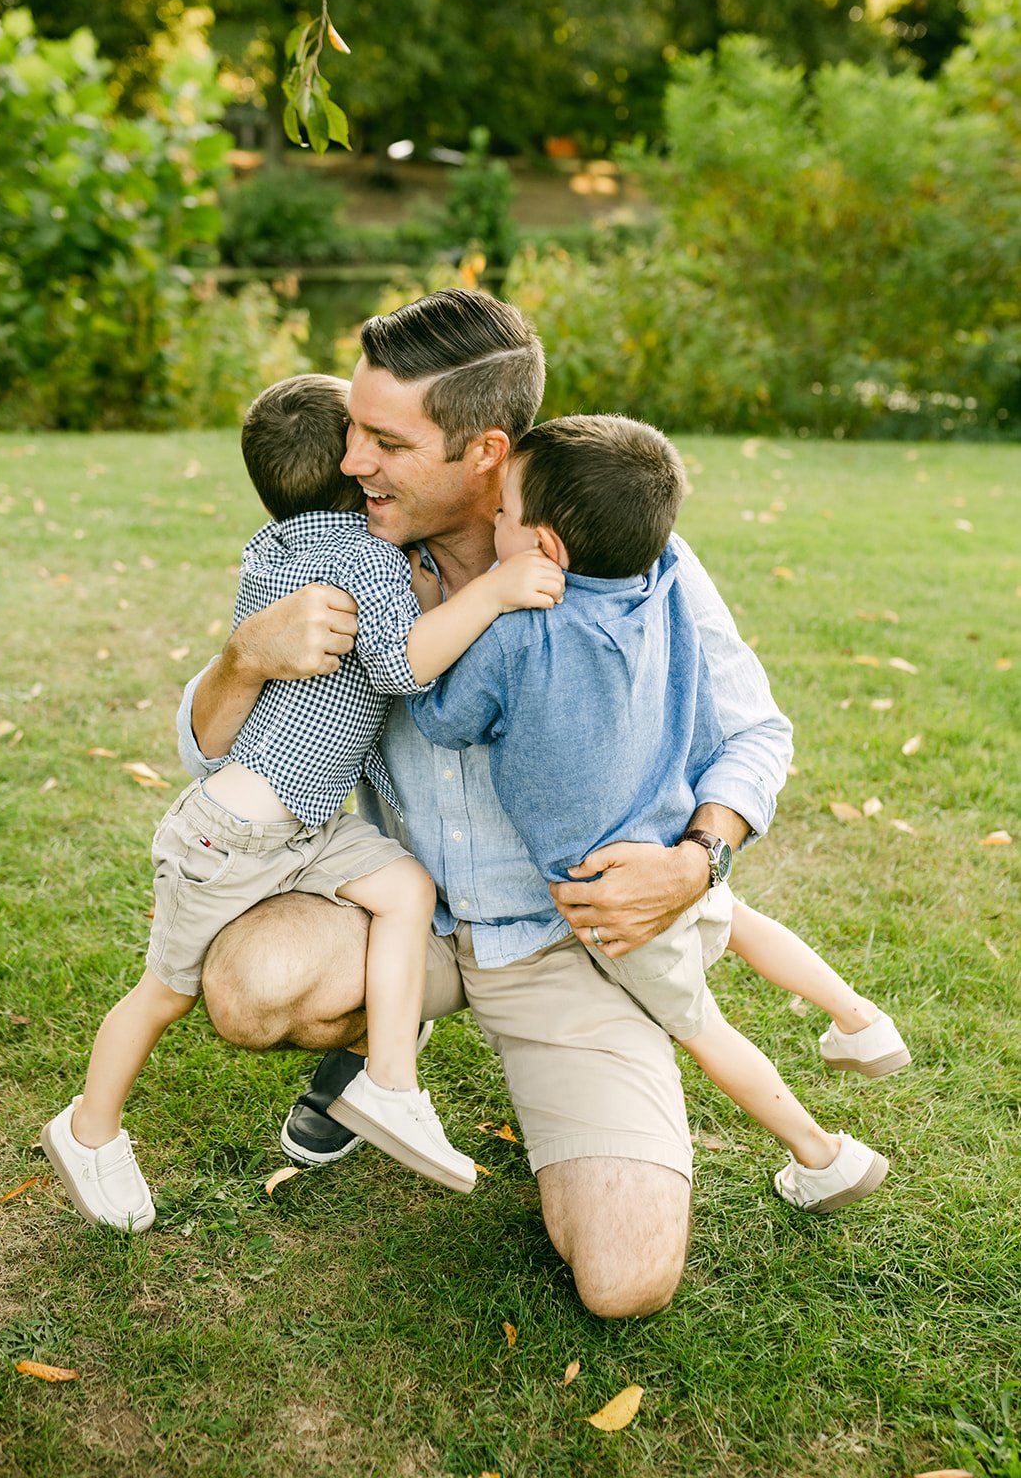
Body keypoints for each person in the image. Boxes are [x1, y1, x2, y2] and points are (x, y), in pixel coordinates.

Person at [177, 287, 794, 1319]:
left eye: (383, 440)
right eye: (351, 433)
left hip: (566, 942)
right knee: (247, 989)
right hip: (402, 915)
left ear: (483, 452)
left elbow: (754, 733)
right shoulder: (343, 549)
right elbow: (217, 760)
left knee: (625, 1281)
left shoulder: (616, 552)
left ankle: (589, 1080)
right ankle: (389, 1042)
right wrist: (242, 658)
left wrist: (696, 861)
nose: (350, 462)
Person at [42, 371, 565, 1231]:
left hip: (304, 821)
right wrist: (493, 591)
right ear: (354, 474)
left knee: (403, 889)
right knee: (162, 994)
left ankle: (390, 1083)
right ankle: (89, 1128)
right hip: (235, 834)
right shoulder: (363, 554)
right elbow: (402, 666)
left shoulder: (270, 546)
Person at [409, 413, 910, 1213]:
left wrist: (463, 606)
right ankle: (856, 1018)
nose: (492, 522)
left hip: (605, 886)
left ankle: (821, 1155)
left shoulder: (515, 637)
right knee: (737, 918)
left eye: (502, 513)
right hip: (669, 837)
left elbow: (439, 718)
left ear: (547, 550)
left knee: (702, 1027)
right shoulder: (660, 585)